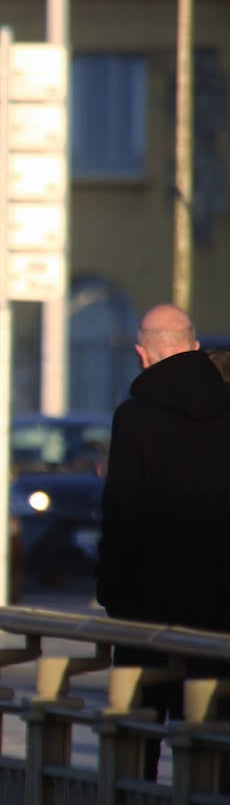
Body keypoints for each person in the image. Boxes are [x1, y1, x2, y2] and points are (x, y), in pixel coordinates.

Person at [96, 305, 230, 777]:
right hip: (219, 622)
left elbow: (122, 517)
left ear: (142, 354)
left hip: (146, 622)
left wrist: (114, 598)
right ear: (194, 347)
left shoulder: (134, 418)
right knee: (212, 754)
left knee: (136, 754)